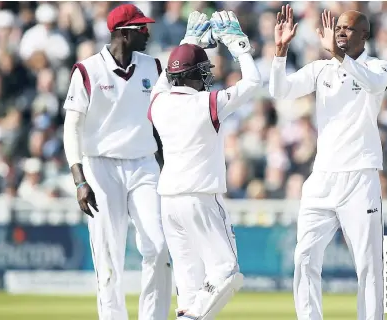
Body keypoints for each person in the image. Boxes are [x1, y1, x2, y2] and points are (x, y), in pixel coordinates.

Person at [269, 5, 387, 320]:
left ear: (364, 35)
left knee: (369, 265)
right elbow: (279, 90)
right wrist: (280, 50)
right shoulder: (320, 69)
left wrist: (338, 56)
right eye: (338, 27)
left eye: (348, 29)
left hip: (360, 178)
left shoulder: (378, 67)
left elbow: (373, 85)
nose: (340, 32)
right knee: (305, 258)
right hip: (322, 178)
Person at [148, 10, 261, 320]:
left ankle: (189, 312)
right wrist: (238, 46)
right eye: (203, 71)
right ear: (193, 75)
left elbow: (162, 83)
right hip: (201, 198)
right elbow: (254, 81)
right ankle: (191, 316)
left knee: (189, 285)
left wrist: (187, 42)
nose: (207, 77)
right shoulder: (207, 103)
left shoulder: (158, 103)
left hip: (169, 202)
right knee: (227, 271)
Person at [62, 4, 171, 320]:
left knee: (159, 246)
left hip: (144, 165)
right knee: (109, 259)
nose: (147, 33)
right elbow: (73, 126)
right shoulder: (88, 70)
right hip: (101, 166)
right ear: (123, 33)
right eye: (141, 28)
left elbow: (163, 120)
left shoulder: (154, 67)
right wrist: (79, 180)